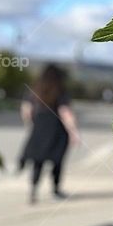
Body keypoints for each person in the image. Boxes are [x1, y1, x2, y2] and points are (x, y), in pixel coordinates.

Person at [18, 63, 79, 202]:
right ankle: (55, 191)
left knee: (37, 161)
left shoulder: (35, 89)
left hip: (39, 126)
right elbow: (65, 112)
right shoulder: (60, 89)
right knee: (57, 161)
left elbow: (26, 110)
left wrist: (32, 125)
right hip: (56, 129)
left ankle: (33, 190)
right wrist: (73, 132)